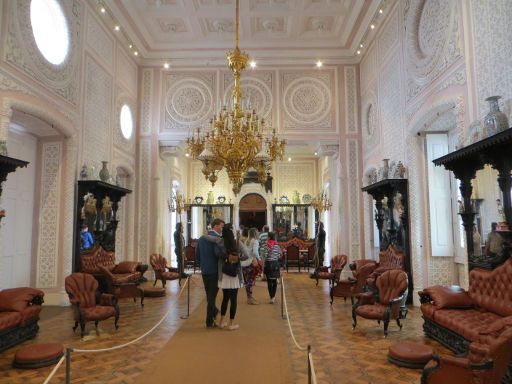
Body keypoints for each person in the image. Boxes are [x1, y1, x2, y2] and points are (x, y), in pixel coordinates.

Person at [218, 223, 248, 330]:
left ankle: (221, 322)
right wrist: (238, 258)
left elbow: (218, 255)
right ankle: (231, 324)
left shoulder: (221, 242)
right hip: (235, 274)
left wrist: (227, 257)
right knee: (233, 300)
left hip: (224, 273)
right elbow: (247, 255)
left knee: (225, 298)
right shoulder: (237, 242)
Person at [196, 218, 225, 328]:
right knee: (211, 297)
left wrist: (202, 265)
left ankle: (214, 312)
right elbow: (218, 254)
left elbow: (197, 255)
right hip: (214, 270)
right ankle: (209, 321)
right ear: (216, 226)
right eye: (221, 227)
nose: (222, 229)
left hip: (205, 270)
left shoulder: (201, 238)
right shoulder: (217, 239)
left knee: (209, 295)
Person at [241, 228, 261, 305]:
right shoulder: (255, 241)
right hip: (251, 263)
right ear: (255, 233)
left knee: (247, 281)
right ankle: (250, 299)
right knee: (250, 281)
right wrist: (259, 259)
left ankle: (249, 297)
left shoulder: (247, 240)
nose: (258, 233)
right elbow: (255, 252)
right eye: (257, 232)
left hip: (244, 263)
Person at [261, 232, 282, 304]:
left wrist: (263, 266)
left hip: (269, 264)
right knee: (274, 281)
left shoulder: (267, 245)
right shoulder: (277, 245)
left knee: (269, 282)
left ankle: (271, 297)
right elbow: (280, 255)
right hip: (276, 264)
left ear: (269, 237)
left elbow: (265, 256)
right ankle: (273, 297)